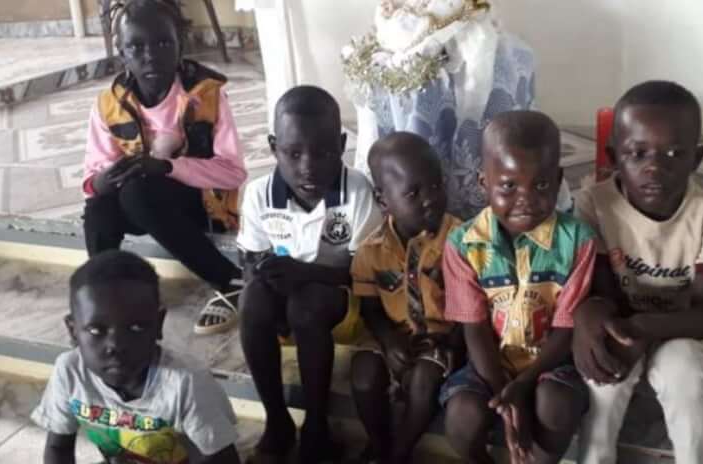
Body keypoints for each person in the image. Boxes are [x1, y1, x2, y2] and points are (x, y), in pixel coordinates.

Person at [572, 81, 703, 464]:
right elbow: (598, 291)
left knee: (690, 381)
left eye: (674, 153)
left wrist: (642, 328)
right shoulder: (594, 204)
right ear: (614, 156)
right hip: (618, 323)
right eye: (637, 153)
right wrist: (590, 319)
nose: (654, 167)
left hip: (680, 328)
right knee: (603, 385)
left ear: (697, 158)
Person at [81, 0, 247, 335]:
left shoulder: (207, 97)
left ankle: (231, 281)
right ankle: (105, 293)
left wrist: (167, 167)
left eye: (162, 43)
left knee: (138, 192)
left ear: (180, 45)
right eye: (136, 46)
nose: (150, 55)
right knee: (99, 208)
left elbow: (233, 171)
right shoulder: (108, 105)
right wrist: (103, 180)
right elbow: (92, 178)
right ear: (122, 53)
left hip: (200, 205)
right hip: (141, 206)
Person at [236, 85, 382, 463]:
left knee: (307, 304)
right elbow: (250, 260)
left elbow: (365, 275)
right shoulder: (259, 194)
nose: (308, 167)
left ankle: (316, 424)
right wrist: (262, 275)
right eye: (293, 153)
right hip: (285, 303)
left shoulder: (356, 192)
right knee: (251, 300)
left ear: (342, 145)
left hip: (339, 306)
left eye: (324, 152)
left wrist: (303, 273)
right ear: (273, 147)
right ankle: (277, 419)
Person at [440, 111, 595, 464]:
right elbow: (475, 327)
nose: (525, 198)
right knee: (462, 415)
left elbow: (566, 328)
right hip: (488, 361)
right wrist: (505, 396)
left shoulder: (577, 241)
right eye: (509, 186)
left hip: (550, 361)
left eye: (540, 185)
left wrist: (524, 385)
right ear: (483, 182)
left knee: (557, 404)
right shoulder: (463, 244)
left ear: (558, 181)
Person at [31, 250, 241, 463]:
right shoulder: (70, 371)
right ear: (73, 330)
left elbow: (224, 460)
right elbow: (58, 447)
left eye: (135, 327)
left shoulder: (185, 384)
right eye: (96, 330)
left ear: (158, 324)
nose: (116, 346)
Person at [349, 132, 465, 464]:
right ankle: (379, 443)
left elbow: (474, 306)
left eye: (435, 185)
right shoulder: (370, 250)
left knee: (425, 381)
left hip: (441, 339)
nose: (430, 199)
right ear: (383, 200)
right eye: (413, 193)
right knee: (363, 374)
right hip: (393, 336)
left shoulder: (461, 241)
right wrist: (388, 340)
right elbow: (370, 307)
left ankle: (400, 453)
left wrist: (452, 342)